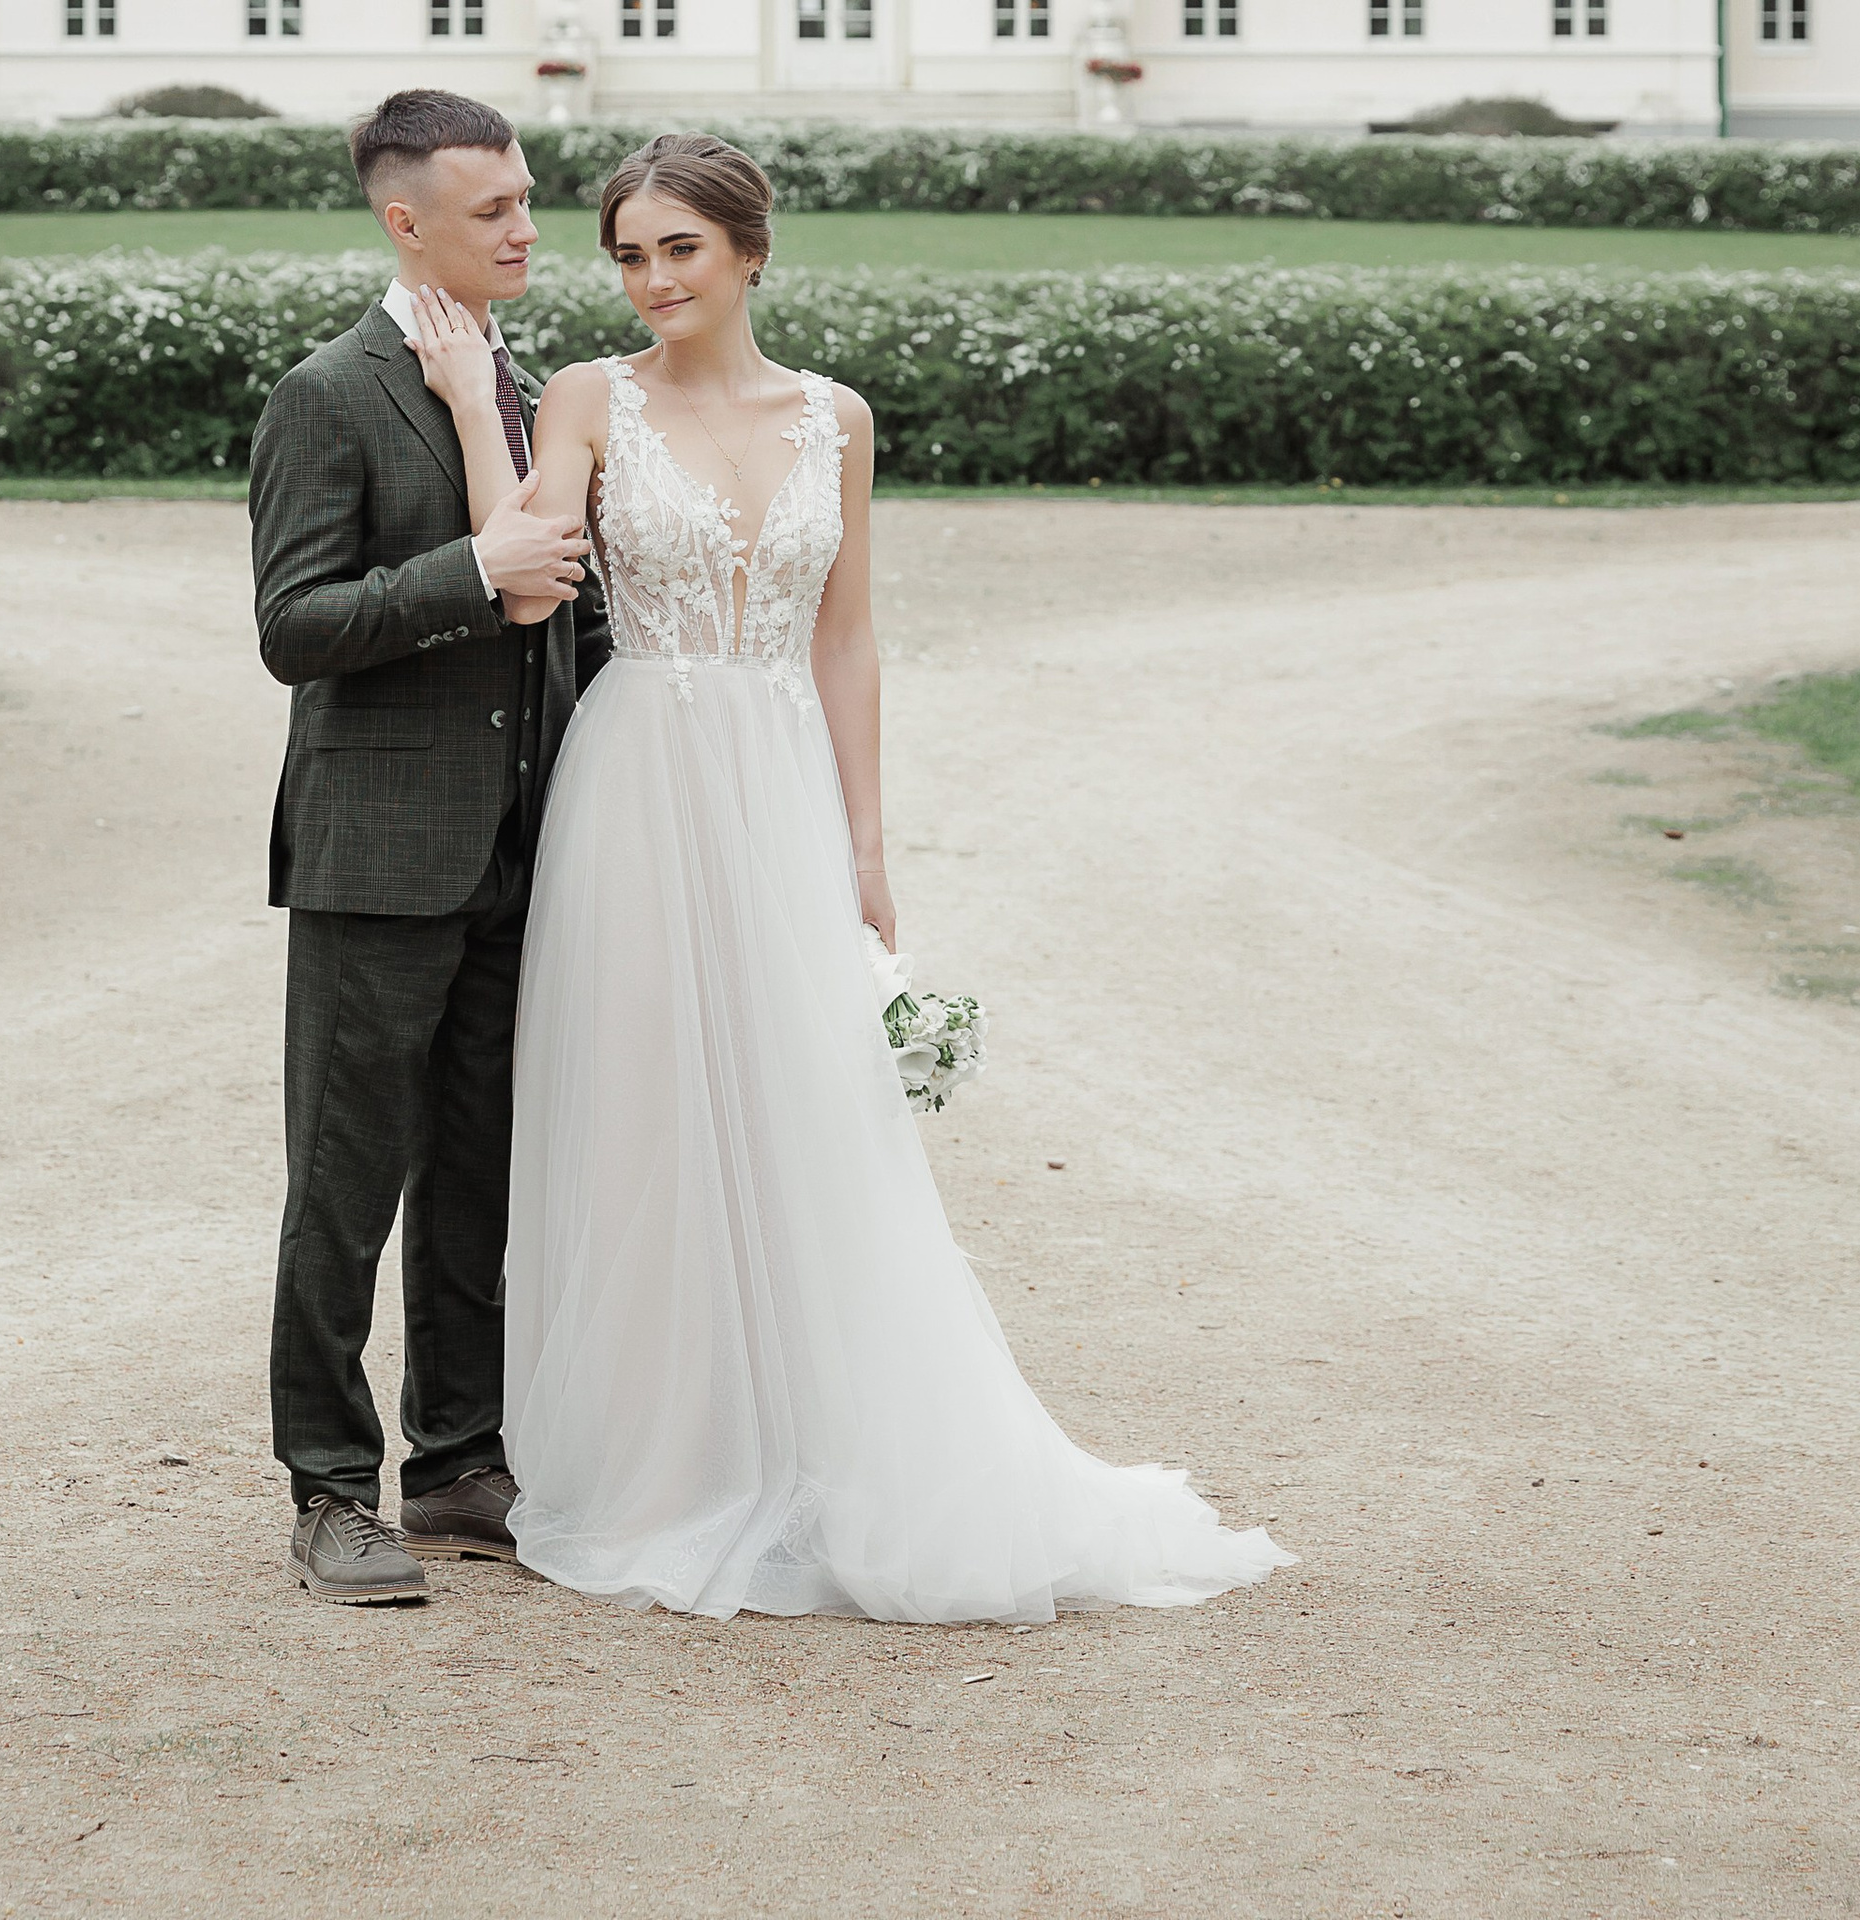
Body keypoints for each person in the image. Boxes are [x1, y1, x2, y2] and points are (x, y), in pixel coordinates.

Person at [398, 129, 1294, 1625]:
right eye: (628, 254)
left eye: (680, 248)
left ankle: (822, 1445)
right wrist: (466, 406)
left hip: (780, 787)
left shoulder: (836, 420)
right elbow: (525, 572)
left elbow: (847, 636)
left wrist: (868, 844)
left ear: (750, 252)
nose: (651, 279)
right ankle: (665, 1465)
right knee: (647, 1107)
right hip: (637, 784)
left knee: (806, 1105)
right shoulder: (587, 398)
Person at [249, 88, 605, 1605]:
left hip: (527, 848)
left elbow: (569, 613)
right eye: (493, 210)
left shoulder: (524, 383)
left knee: (480, 1174)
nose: (526, 228)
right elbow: (293, 626)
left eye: (527, 199)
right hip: (379, 852)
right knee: (346, 1182)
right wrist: (470, 567)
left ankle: (460, 1461)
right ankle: (330, 1489)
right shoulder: (326, 394)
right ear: (406, 223)